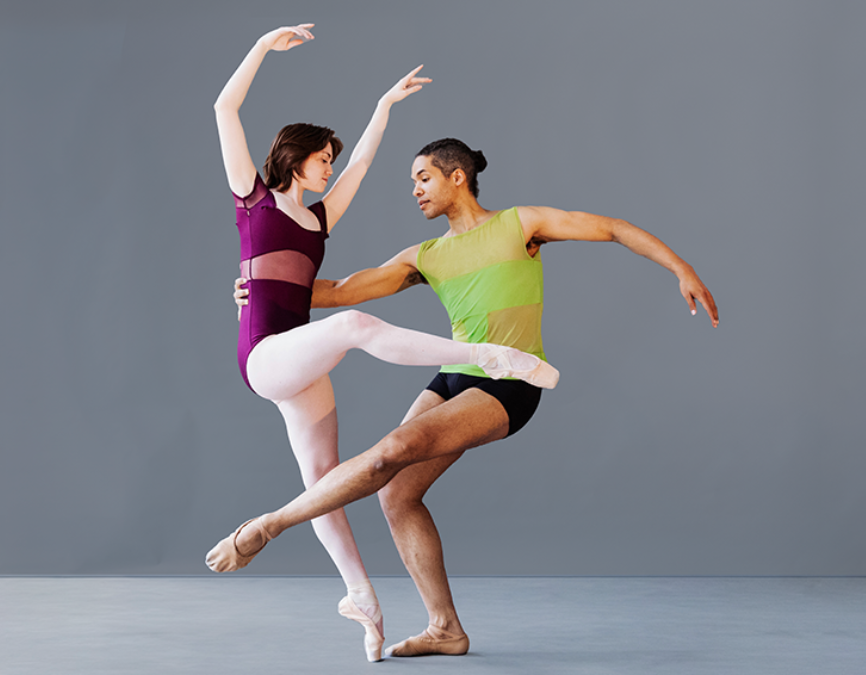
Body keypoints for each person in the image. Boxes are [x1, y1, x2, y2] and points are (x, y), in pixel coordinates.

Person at [226, 137, 719, 658]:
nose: (414, 190)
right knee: (395, 493)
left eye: (423, 178)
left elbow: (612, 228)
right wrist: (260, 286)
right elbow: (344, 288)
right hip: (454, 377)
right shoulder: (426, 256)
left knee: (391, 453)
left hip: (509, 383)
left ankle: (270, 525)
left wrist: (681, 267)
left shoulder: (520, 224)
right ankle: (445, 629)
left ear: (456, 176)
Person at [209, 26, 558, 663]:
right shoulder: (252, 199)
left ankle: (363, 604)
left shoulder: (318, 220)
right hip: (264, 356)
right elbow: (223, 109)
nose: (331, 169)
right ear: (296, 156)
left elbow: (365, 165)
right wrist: (262, 47)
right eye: (323, 160)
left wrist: (383, 107)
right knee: (355, 329)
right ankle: (487, 357)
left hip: (300, 356)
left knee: (326, 482)